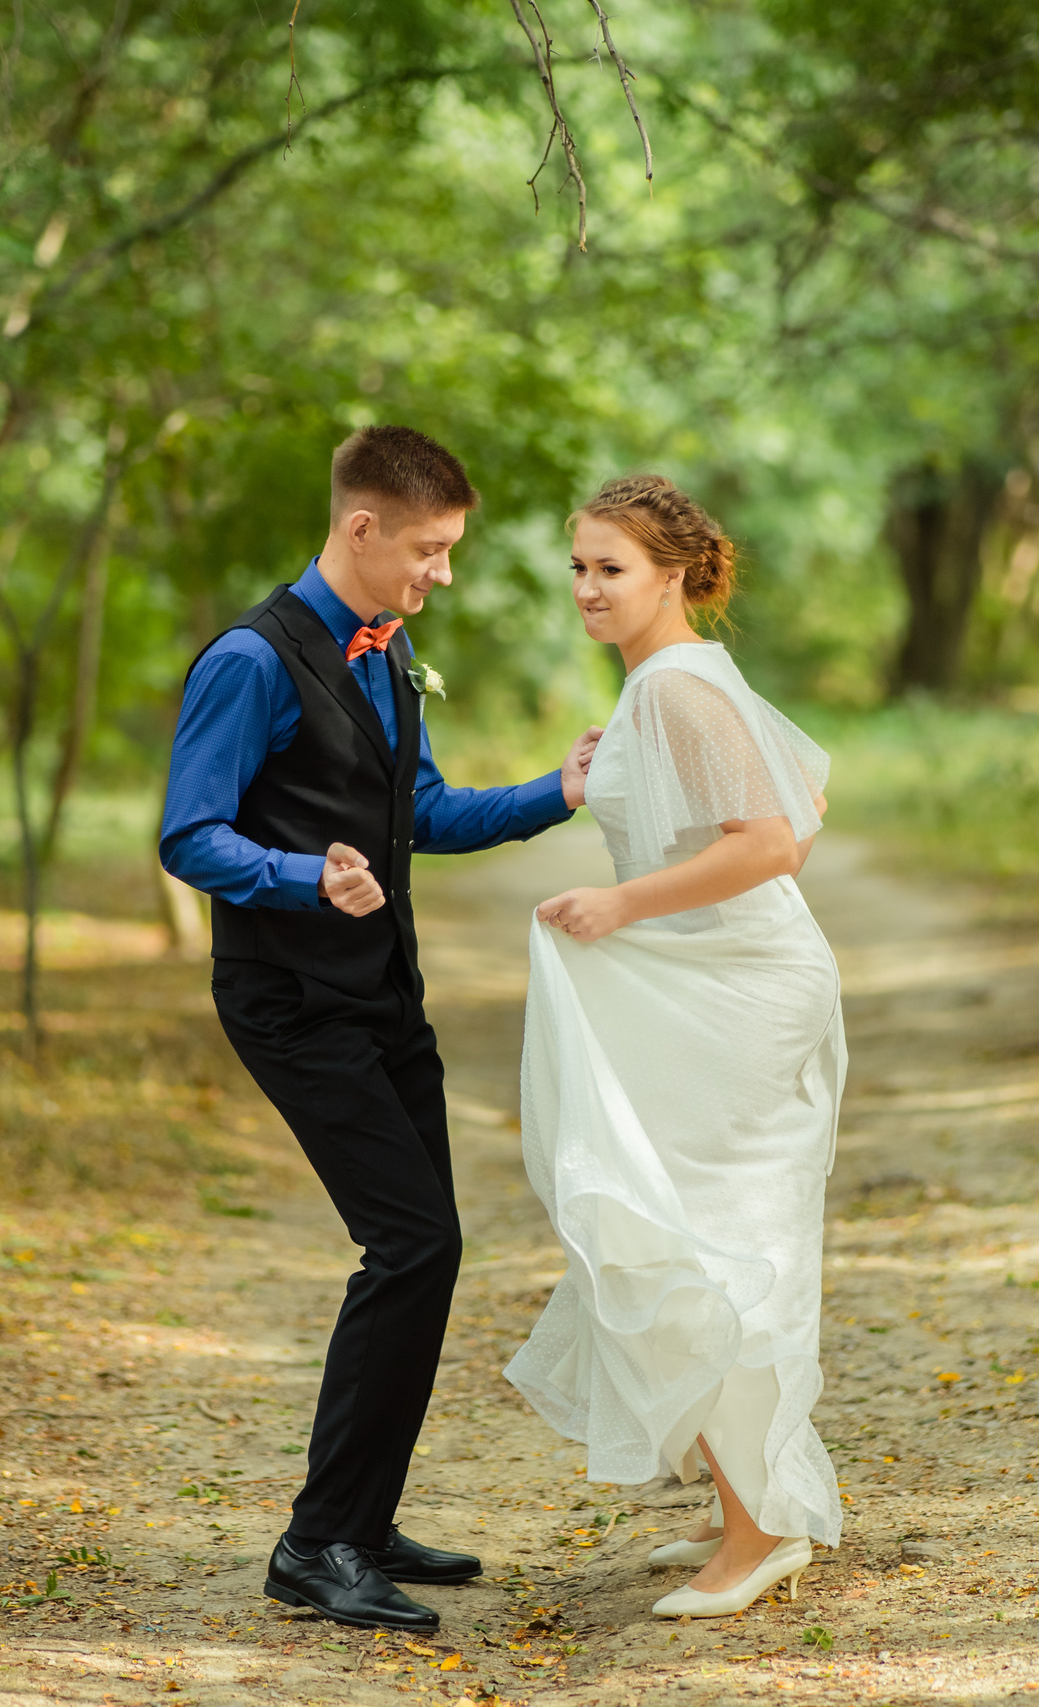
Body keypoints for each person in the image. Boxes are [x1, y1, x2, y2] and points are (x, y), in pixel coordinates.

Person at [160, 425, 603, 1633]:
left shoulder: (388, 650)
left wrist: (554, 795)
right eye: (430, 550)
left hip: (384, 995)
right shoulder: (250, 662)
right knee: (406, 1247)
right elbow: (188, 835)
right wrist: (306, 878)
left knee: (432, 1249)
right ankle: (315, 1545)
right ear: (362, 528)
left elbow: (422, 814)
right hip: (291, 1001)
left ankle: (360, 1520)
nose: (440, 574)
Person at [505, 474, 846, 1620]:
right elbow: (797, 805)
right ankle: (741, 1503)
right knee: (684, 1229)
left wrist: (626, 906)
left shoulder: (681, 690)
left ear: (675, 575)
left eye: (613, 567)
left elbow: (772, 847)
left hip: (739, 995)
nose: (590, 587)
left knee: (707, 1242)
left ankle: (757, 1538)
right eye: (581, 565)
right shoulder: (670, 685)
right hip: (721, 985)